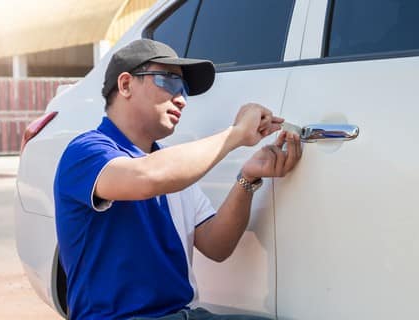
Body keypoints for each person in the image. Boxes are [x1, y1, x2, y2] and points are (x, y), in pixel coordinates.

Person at [54, 39, 302, 320]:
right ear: (125, 85)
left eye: (183, 89)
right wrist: (235, 135)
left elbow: (217, 245)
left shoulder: (172, 169)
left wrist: (248, 178)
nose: (182, 99)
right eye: (169, 81)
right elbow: (144, 178)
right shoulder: (87, 152)